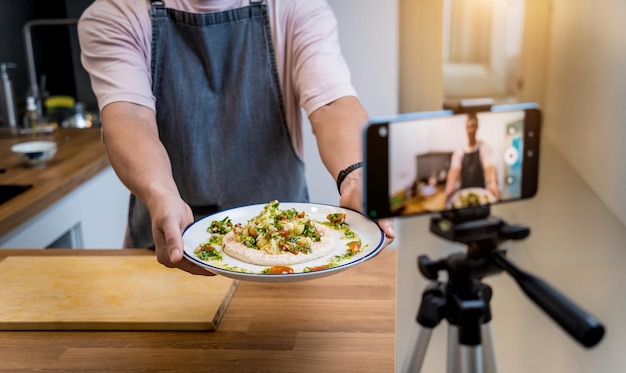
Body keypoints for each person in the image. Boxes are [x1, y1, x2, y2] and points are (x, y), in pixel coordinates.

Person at [78, 0, 395, 275]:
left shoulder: (297, 7)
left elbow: (331, 102)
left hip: (289, 260)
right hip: (167, 246)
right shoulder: (115, 14)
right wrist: (161, 193)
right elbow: (130, 117)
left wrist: (354, 175)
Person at [444, 112, 500, 203]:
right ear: (465, 129)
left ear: (477, 127)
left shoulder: (483, 147)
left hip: (481, 196)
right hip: (463, 196)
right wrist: (450, 186)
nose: (471, 130)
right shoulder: (460, 150)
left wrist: (492, 183)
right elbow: (454, 169)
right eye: (468, 127)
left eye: (473, 126)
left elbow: (489, 166)